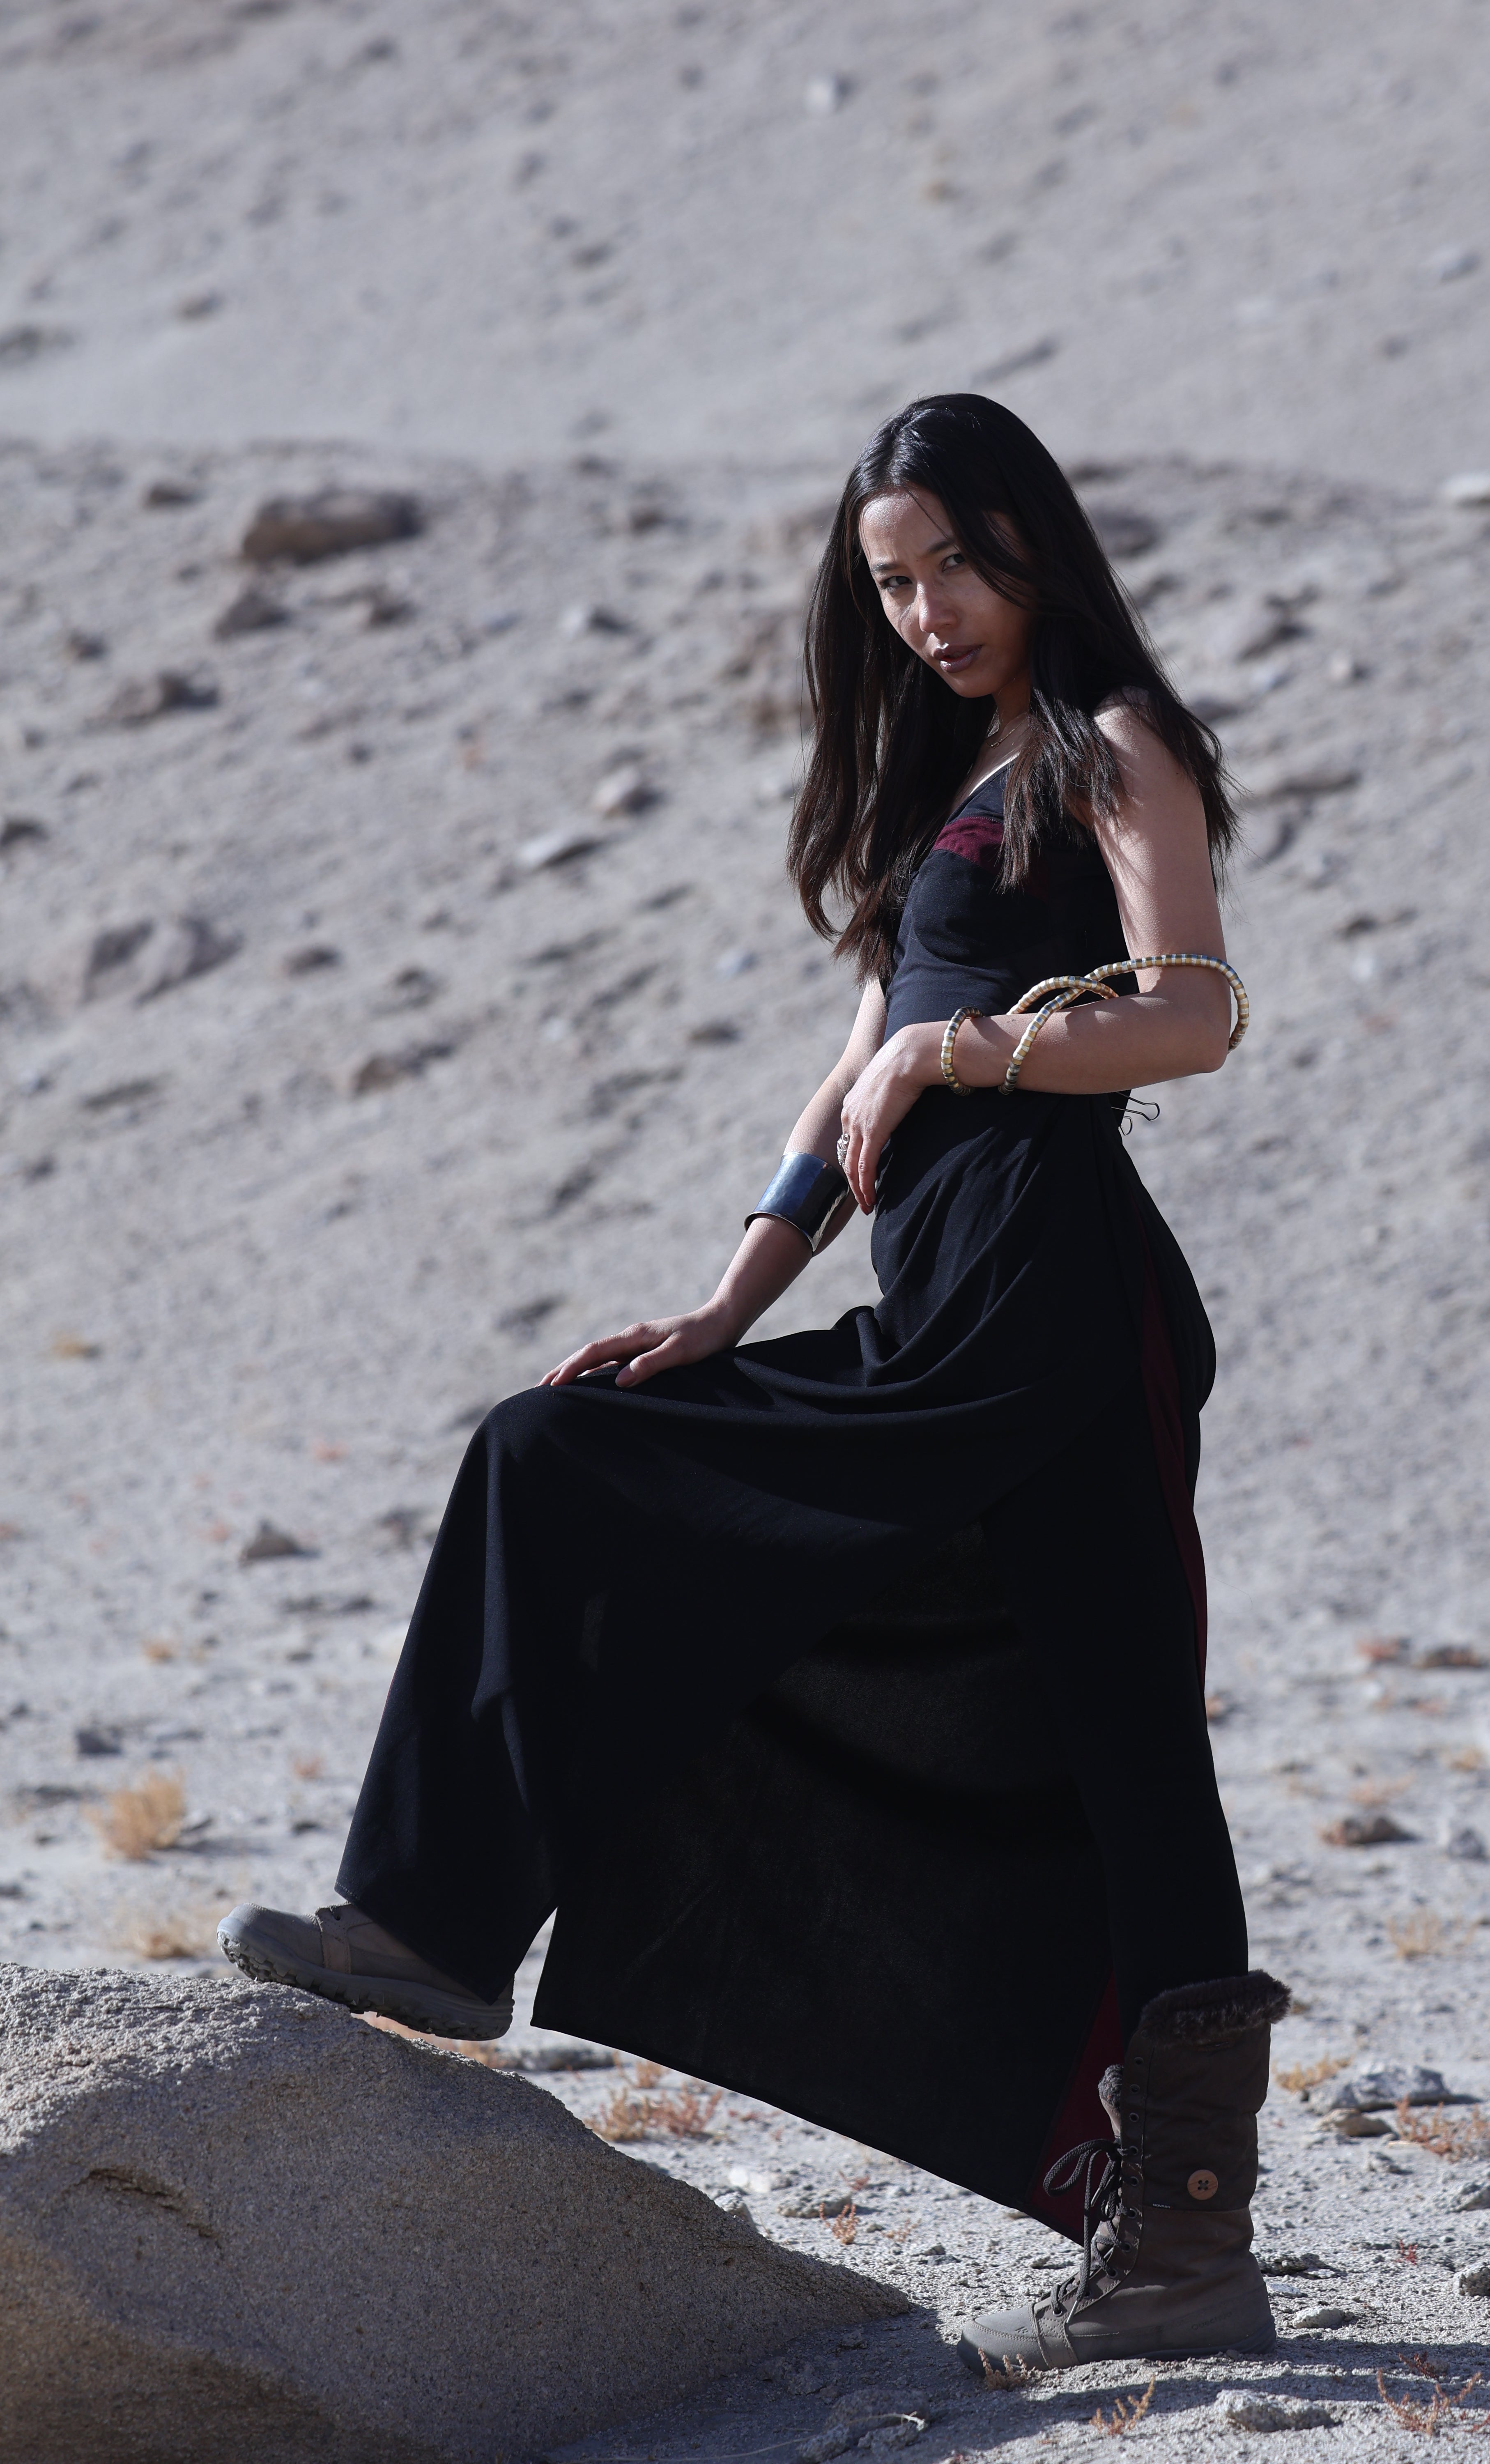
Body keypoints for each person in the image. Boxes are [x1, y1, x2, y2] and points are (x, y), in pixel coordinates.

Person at [222, 393, 1288, 2371]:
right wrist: (730, 1297)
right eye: (891, 582)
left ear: (1033, 545)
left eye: (956, 564)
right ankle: (435, 1924)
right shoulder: (941, 775)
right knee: (555, 1446)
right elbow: (849, 1068)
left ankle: (1186, 2247)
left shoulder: (1112, 739)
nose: (928, 611)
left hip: (1060, 1306)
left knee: (1126, 1736)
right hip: (942, 1292)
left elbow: (1194, 1014)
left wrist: (956, 1055)